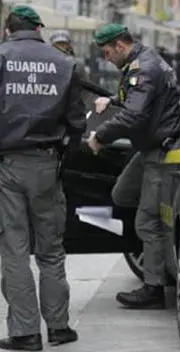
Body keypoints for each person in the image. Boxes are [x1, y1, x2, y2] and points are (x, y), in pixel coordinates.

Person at [0, 5, 86, 351]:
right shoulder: (64, 63)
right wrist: (62, 157)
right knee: (51, 251)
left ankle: (25, 332)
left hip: (7, 165)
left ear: (8, 30)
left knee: (14, 250)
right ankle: (60, 327)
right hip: (48, 164)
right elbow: (78, 123)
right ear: (38, 29)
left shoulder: (2, 57)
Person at [87, 24, 180, 309]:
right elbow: (139, 99)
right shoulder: (140, 64)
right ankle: (160, 243)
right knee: (122, 194)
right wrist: (112, 100)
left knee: (146, 221)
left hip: (159, 153)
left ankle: (153, 288)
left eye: (106, 52)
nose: (105, 59)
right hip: (148, 149)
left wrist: (100, 137)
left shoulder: (143, 68)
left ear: (119, 45)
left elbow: (134, 116)